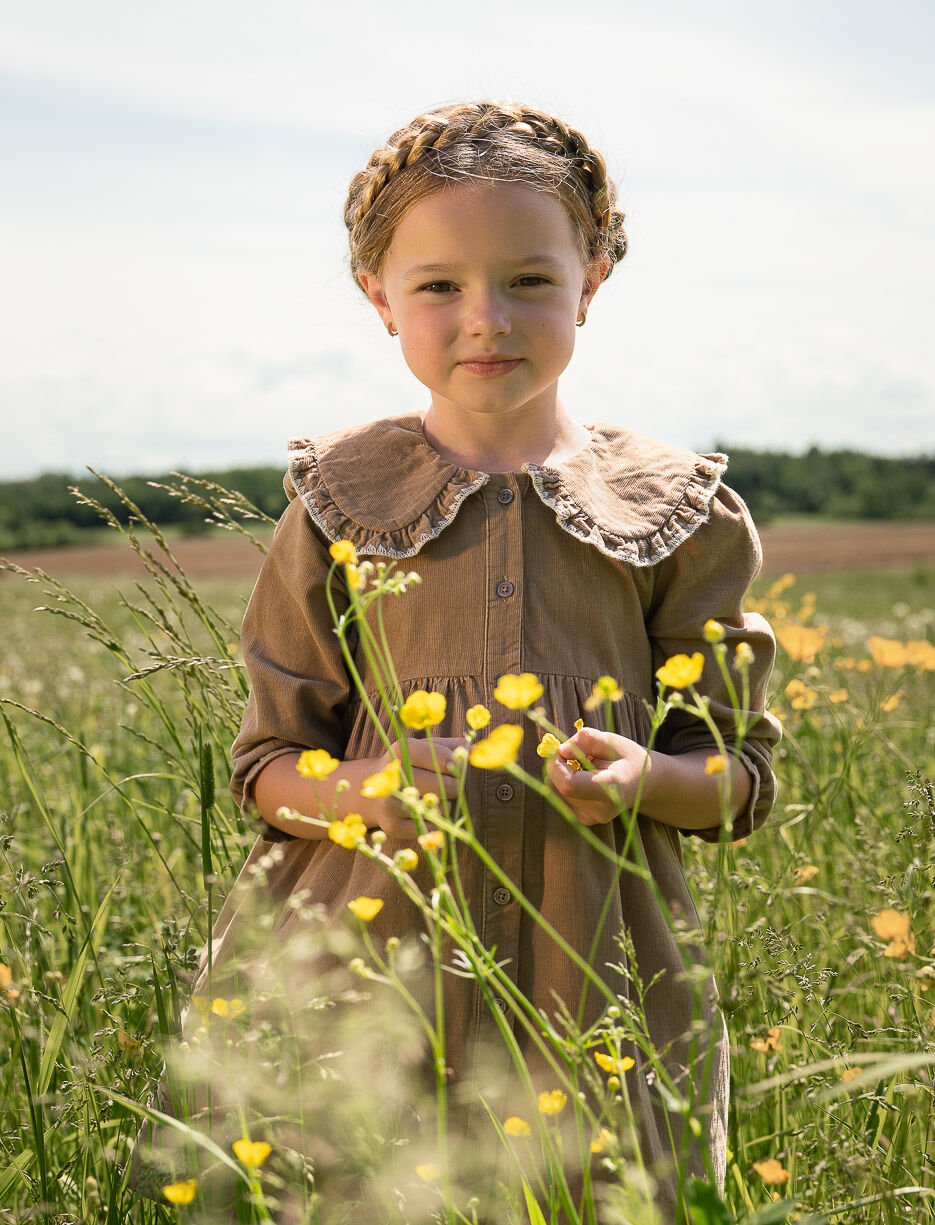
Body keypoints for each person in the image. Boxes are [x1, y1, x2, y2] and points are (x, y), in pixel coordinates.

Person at [136, 102, 781, 1222]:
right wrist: (362, 790)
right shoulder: (338, 504)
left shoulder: (678, 514)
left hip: (596, 982)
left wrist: (646, 778)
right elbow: (266, 764)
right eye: (437, 285)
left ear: (592, 279)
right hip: (363, 973)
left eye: (529, 279)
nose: (486, 318)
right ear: (376, 297)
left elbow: (738, 776)